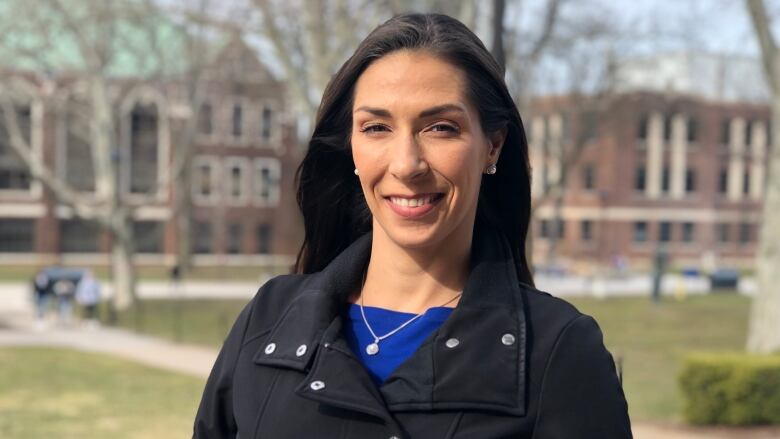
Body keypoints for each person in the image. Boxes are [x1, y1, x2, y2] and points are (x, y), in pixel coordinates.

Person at [194, 13, 632, 438]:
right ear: (351, 145)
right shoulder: (270, 319)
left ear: (492, 146)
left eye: (440, 127)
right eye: (376, 127)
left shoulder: (557, 351)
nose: (406, 165)